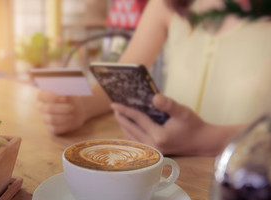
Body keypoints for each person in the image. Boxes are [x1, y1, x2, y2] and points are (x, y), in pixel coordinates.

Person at [36, 0, 271, 156]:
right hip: (170, 177)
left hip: (249, 189)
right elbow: (120, 79)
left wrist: (205, 139)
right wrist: (80, 107)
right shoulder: (165, 5)